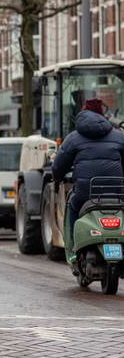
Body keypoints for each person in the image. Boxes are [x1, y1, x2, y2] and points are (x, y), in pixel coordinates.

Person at [51, 98, 124, 260]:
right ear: (103, 114)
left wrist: (57, 177)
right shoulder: (119, 137)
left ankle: (73, 250)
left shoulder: (73, 138)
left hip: (86, 193)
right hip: (117, 192)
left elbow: (58, 167)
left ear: (83, 113)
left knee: (72, 207)